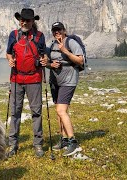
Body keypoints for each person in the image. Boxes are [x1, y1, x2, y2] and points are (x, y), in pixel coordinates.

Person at [5, 8, 48, 158]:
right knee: (15, 112)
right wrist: (10, 59)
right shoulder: (14, 35)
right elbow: (8, 52)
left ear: (32, 21)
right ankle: (12, 145)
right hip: (16, 79)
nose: (24, 22)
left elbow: (44, 55)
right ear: (19, 20)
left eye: (27, 20)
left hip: (34, 79)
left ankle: (38, 144)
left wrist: (45, 60)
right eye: (22, 19)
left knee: (36, 112)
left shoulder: (40, 36)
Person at [46, 22, 84, 156]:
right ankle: (64, 139)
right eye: (54, 30)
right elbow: (46, 62)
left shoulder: (71, 42)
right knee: (59, 111)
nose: (57, 32)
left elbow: (80, 61)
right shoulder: (51, 45)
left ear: (64, 30)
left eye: (59, 30)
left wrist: (65, 51)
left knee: (61, 110)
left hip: (69, 81)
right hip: (55, 81)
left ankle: (73, 142)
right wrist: (51, 64)